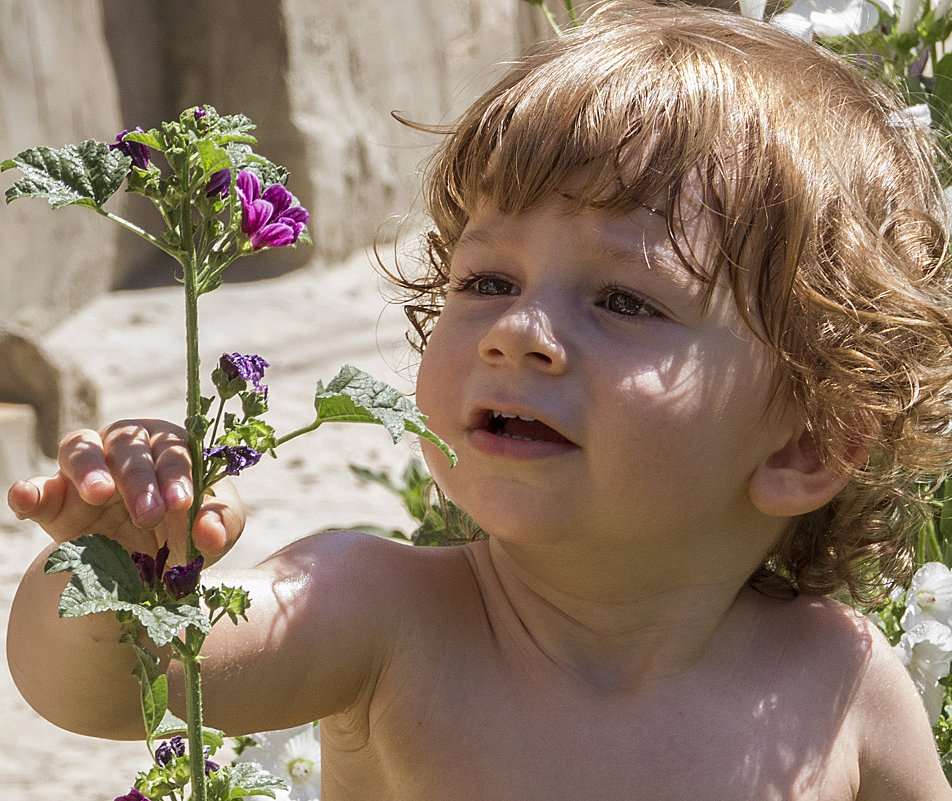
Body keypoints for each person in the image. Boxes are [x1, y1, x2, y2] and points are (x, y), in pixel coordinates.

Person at [8, 2, 952, 798]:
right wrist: (117, 564)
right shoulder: (379, 615)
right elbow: (100, 692)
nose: (517, 330)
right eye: (488, 281)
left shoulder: (846, 684)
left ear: (809, 445)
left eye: (625, 299)